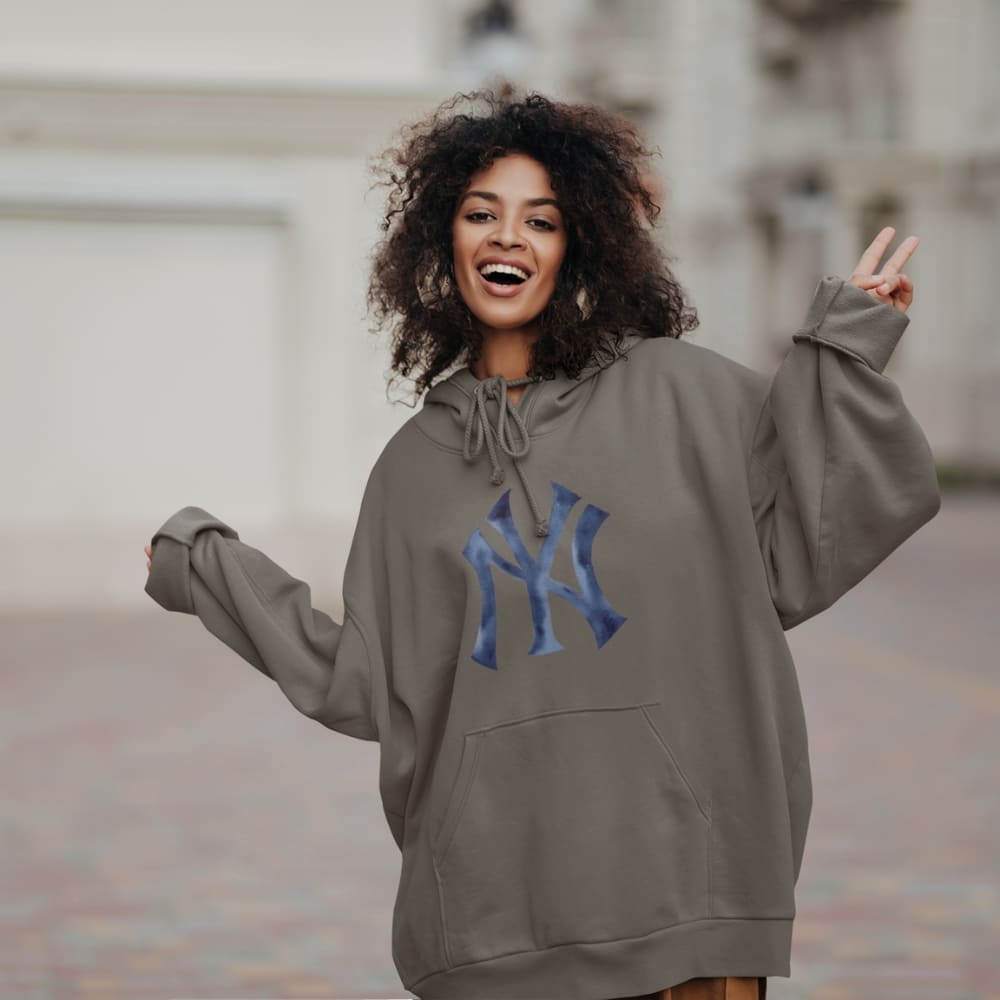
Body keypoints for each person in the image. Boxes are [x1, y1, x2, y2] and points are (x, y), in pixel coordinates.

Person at [143, 89, 940, 1000]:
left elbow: (818, 523)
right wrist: (205, 568)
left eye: (542, 219)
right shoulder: (411, 471)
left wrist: (846, 349)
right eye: (481, 213)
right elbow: (366, 682)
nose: (507, 237)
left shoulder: (685, 394)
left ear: (583, 244)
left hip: (692, 899)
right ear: (442, 244)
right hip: (491, 918)